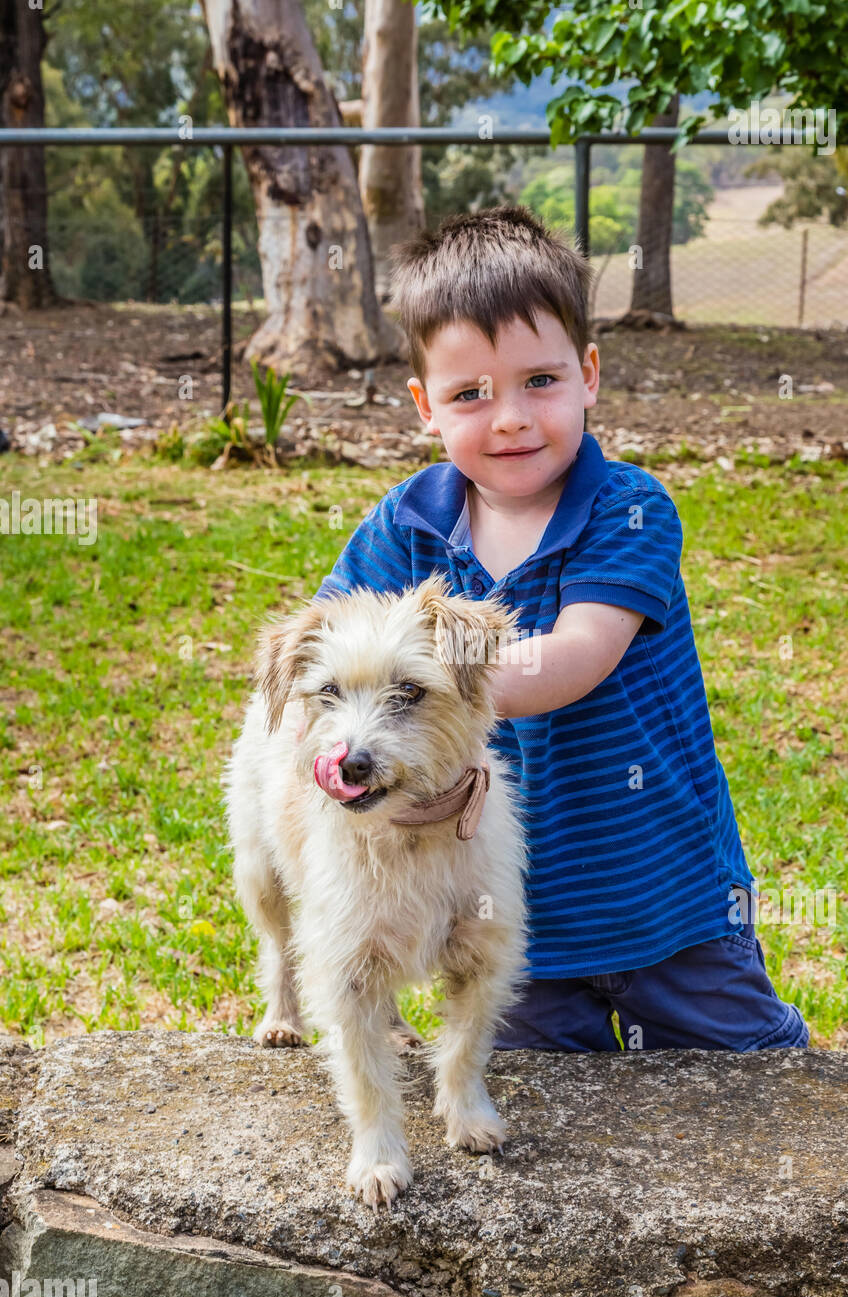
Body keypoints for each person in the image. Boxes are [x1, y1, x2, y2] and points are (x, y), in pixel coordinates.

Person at [314, 204, 810, 1053]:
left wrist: (426, 691)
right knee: (540, 1117)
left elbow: (574, 658)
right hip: (503, 908)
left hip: (668, 898)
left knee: (747, 1091)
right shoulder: (404, 526)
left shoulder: (627, 510)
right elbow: (333, 644)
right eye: (469, 394)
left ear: (588, 372)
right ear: (423, 407)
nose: (507, 417)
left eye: (538, 381)